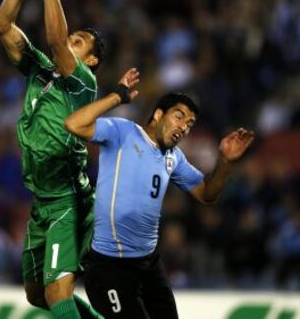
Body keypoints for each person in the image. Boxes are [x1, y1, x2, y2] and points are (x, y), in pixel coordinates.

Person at [64, 68, 255, 319]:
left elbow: (207, 194)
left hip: (149, 266)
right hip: (109, 266)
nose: (184, 127)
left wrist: (226, 162)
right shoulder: (123, 132)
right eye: (179, 116)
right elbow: (73, 124)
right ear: (157, 114)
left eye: (189, 124)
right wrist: (117, 97)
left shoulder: (174, 158)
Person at [0, 0, 104, 319]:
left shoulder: (83, 83)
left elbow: (57, 39)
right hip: (41, 198)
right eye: (73, 37)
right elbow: (3, 25)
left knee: (59, 291)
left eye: (80, 42)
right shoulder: (40, 69)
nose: (70, 42)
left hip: (67, 199)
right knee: (37, 295)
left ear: (90, 60)